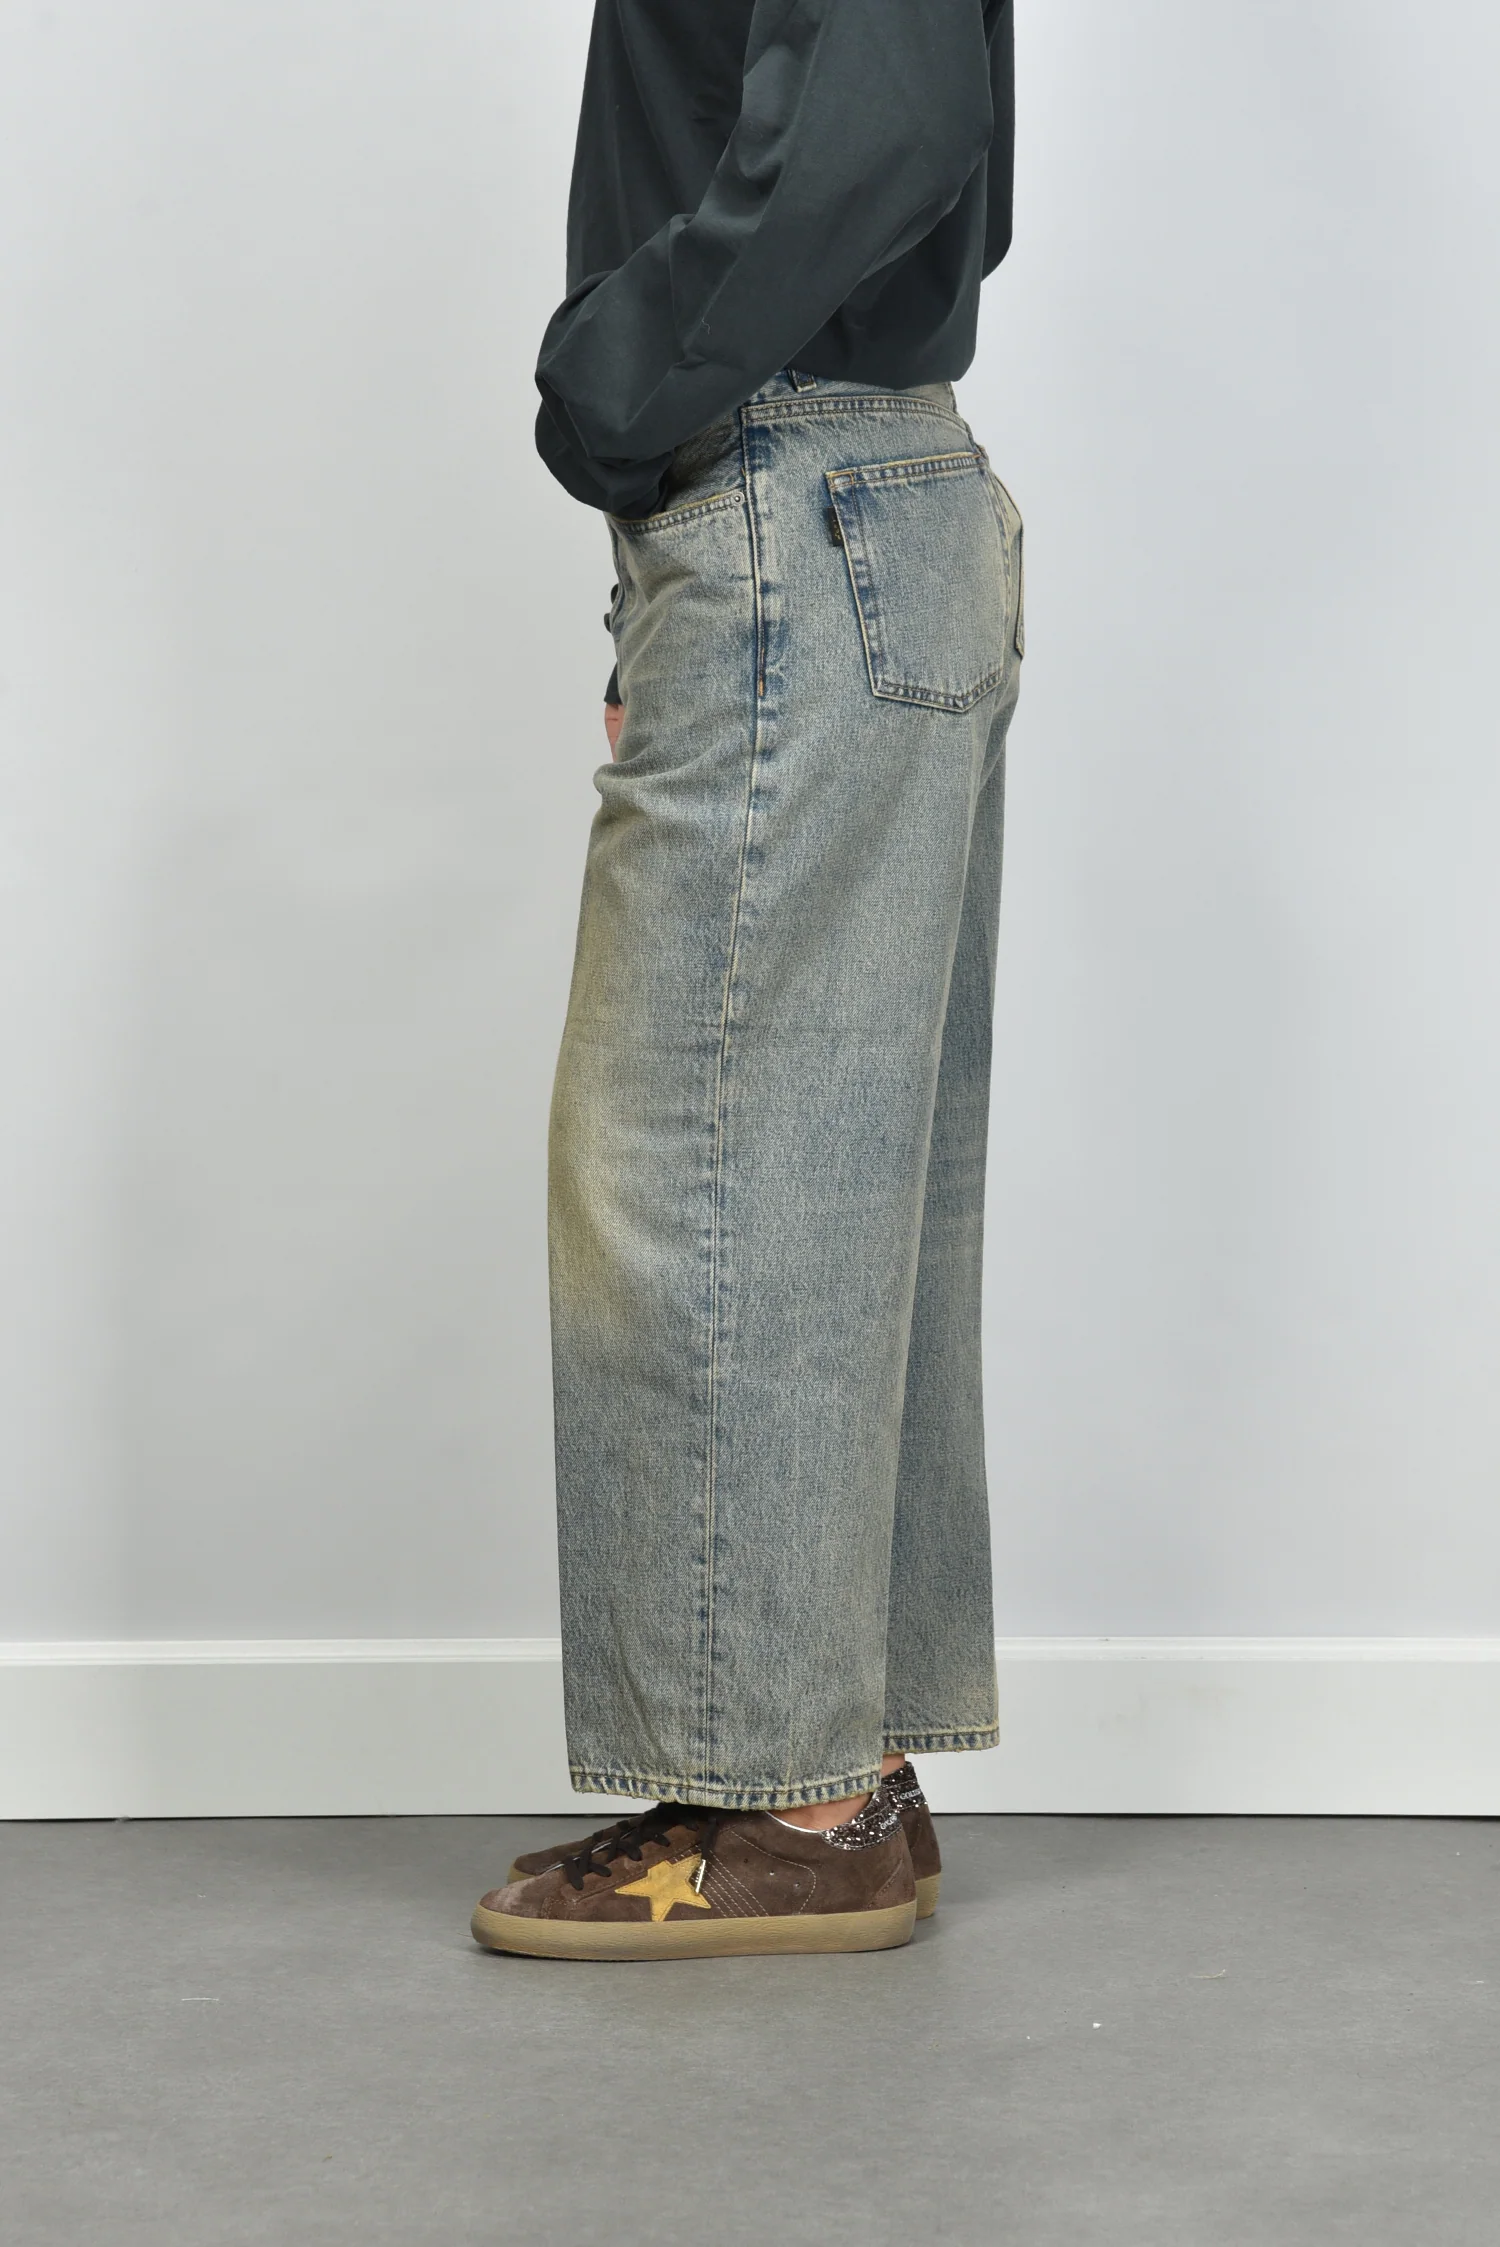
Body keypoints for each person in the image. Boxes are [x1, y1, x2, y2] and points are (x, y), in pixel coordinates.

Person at [474, 0, 1024, 1960]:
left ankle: (781, 1803)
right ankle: (834, 1764)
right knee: (822, 1178)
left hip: (796, 486)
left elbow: (890, 115)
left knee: (696, 1170)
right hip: (844, 492)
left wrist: (614, 385)